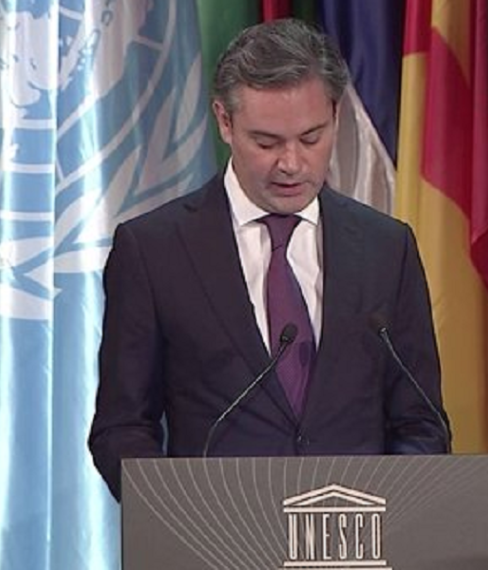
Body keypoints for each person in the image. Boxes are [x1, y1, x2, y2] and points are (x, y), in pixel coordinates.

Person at [89, 18, 449, 500]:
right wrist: (176, 515)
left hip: (357, 532)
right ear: (224, 121)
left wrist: (389, 511)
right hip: (217, 530)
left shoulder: (387, 248)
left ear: (335, 115)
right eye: (267, 142)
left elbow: (421, 420)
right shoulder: (154, 250)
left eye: (311, 137)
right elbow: (122, 428)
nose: (292, 164)